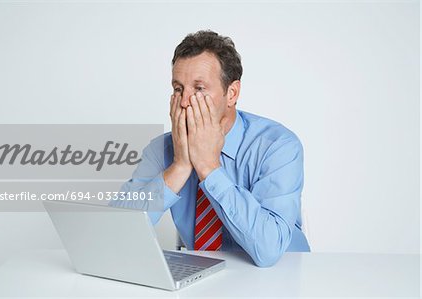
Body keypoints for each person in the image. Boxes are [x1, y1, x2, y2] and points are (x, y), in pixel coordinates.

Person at [110, 30, 310, 267]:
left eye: (199, 88)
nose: (184, 102)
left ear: (232, 93)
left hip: (283, 277)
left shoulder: (278, 146)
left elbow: (268, 250)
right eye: (178, 89)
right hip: (205, 276)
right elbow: (113, 233)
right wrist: (180, 166)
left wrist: (209, 168)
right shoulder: (161, 149)